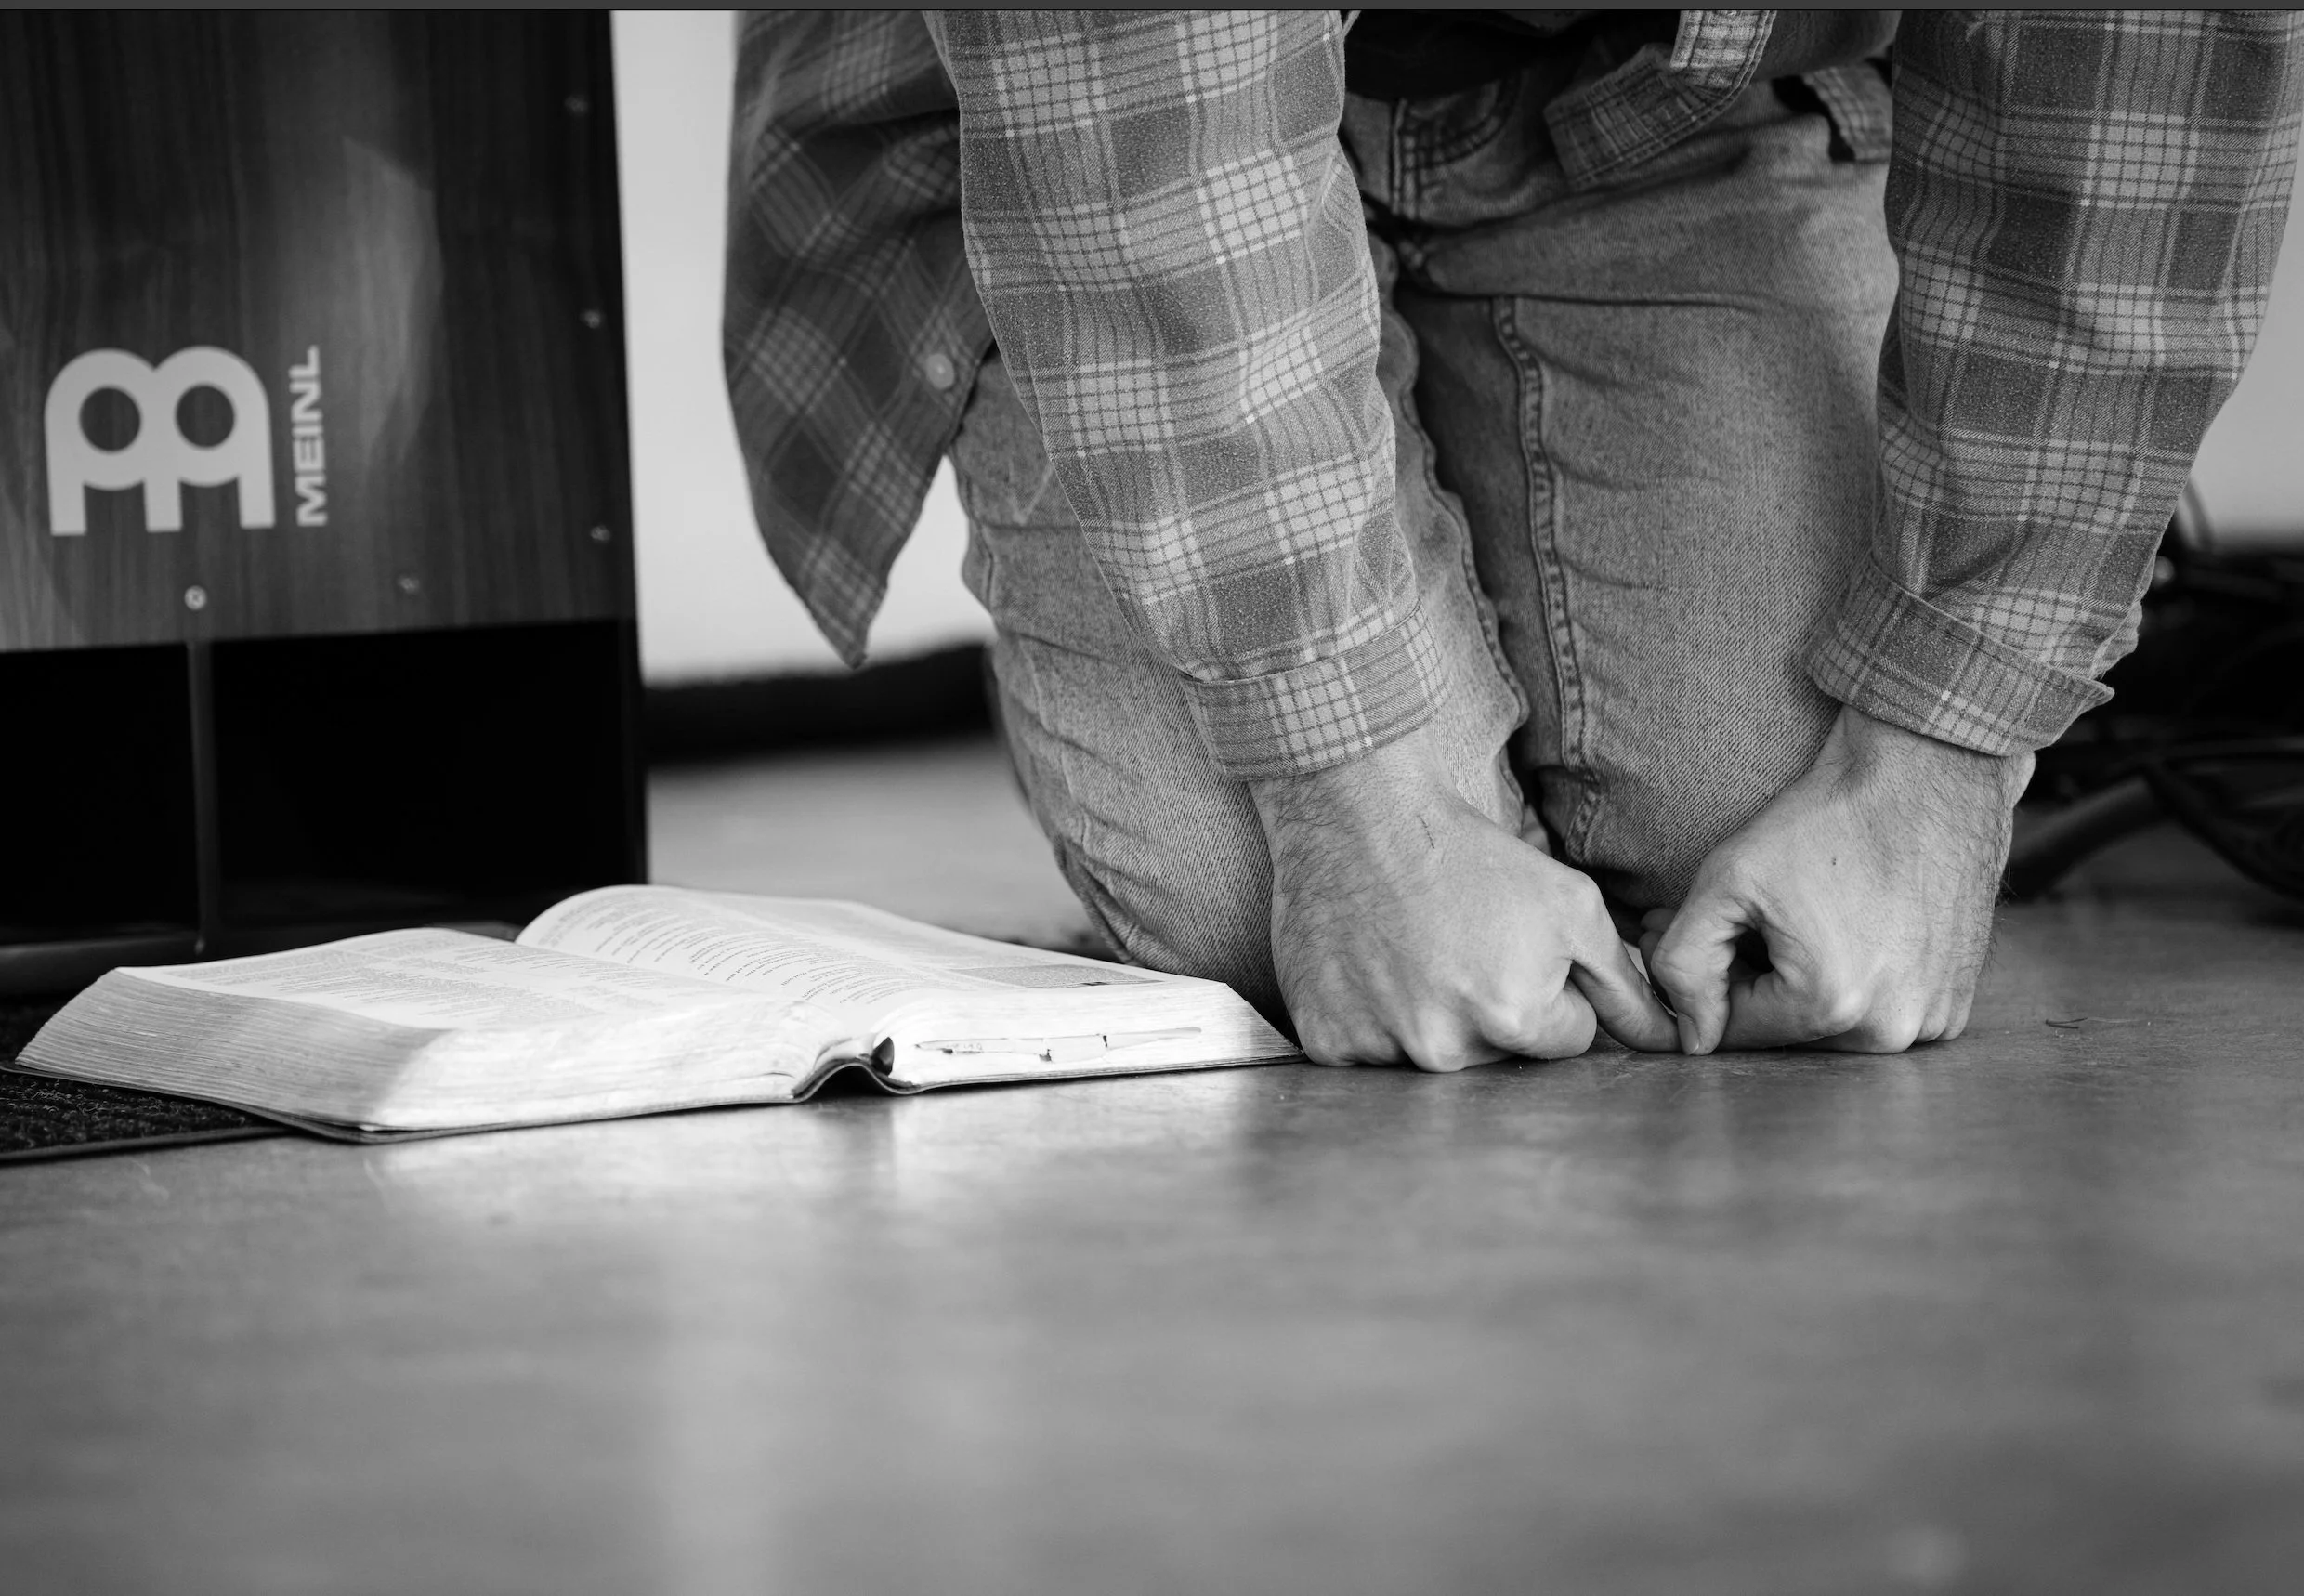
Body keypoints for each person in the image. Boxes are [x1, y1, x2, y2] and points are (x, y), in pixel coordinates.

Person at [723, 10, 2304, 1069]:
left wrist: (1944, 754)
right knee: (1248, 916)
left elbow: (2142, 82)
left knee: (1767, 893)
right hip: (1113, 125)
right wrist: (1364, 795)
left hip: (1681, 96)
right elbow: (1143, 101)